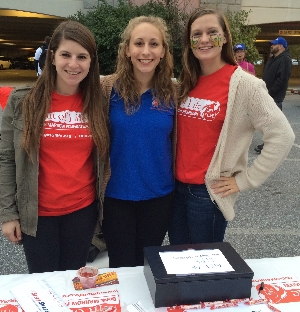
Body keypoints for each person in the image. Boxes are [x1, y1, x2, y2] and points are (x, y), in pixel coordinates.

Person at [168, 7, 295, 245]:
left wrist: (245, 179)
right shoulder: (186, 82)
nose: (204, 39)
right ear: (189, 42)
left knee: (205, 268)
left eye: (212, 32)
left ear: (225, 37)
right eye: (196, 34)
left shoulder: (246, 86)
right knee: (178, 262)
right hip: (175, 190)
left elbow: (282, 136)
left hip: (207, 194)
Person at [0, 20, 110, 273]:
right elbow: (5, 159)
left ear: (91, 62)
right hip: (38, 215)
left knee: (74, 280)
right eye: (66, 55)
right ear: (51, 58)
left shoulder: (98, 103)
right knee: (44, 283)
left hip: (82, 212)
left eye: (82, 56)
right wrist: (7, 214)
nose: (73, 64)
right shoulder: (22, 101)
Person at [100, 16, 176, 268]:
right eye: (139, 43)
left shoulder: (176, 93)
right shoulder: (106, 88)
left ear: (163, 51)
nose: (146, 51)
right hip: (116, 197)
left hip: (159, 197)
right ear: (127, 50)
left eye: (154, 44)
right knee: (120, 267)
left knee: (148, 268)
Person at [254, 36, 292, 153]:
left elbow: (281, 80)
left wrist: (269, 93)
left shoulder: (285, 59)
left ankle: (272, 145)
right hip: (268, 96)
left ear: (281, 46)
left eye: (274, 44)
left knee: (273, 123)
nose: (272, 46)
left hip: (274, 97)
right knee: (268, 122)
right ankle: (269, 143)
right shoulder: (274, 59)